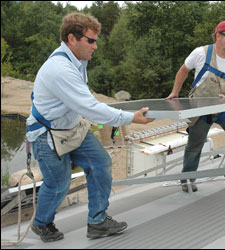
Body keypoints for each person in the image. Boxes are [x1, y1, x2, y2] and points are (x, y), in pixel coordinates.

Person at [26, 13, 154, 242]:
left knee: (100, 162)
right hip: (47, 134)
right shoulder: (59, 69)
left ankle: (97, 221)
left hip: (72, 127)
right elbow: (91, 108)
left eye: (96, 40)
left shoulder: (79, 62)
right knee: (58, 184)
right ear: (72, 39)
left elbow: (85, 103)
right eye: (91, 40)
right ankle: (41, 222)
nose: (96, 46)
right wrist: (131, 117)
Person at [166, 21, 225, 193]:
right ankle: (187, 179)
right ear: (218, 35)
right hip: (201, 108)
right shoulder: (201, 53)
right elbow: (184, 70)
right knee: (195, 145)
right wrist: (175, 92)